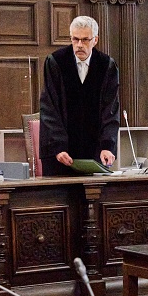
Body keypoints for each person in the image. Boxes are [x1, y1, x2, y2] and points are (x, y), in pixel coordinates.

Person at [39, 15, 120, 176]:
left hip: (94, 152)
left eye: (85, 40)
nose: (79, 45)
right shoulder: (56, 62)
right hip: (60, 154)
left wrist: (107, 146)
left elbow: (110, 110)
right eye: (75, 39)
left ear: (95, 40)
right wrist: (58, 146)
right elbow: (49, 108)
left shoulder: (106, 65)